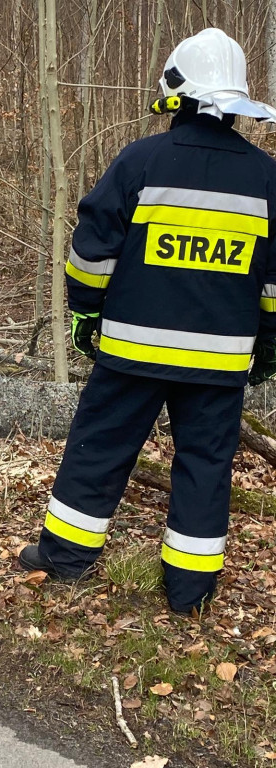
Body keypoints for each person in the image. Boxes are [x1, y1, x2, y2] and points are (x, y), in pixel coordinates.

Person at [19, 28, 276, 614]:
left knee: (100, 447)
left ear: (177, 93)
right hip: (219, 359)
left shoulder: (141, 159)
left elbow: (91, 253)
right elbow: (275, 282)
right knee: (205, 466)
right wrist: (269, 343)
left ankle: (65, 558)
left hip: (133, 349)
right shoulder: (268, 179)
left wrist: (84, 312)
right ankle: (190, 593)